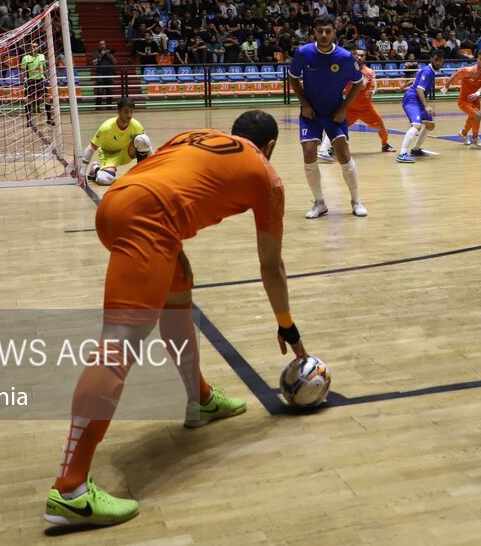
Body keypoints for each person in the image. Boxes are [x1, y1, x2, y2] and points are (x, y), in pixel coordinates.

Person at [45, 111, 306, 528]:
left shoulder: (195, 134)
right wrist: (288, 327)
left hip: (118, 202)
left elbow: (153, 168)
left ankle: (199, 400)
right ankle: (70, 489)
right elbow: (271, 267)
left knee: (179, 282)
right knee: (118, 345)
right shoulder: (268, 176)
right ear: (271, 146)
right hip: (149, 221)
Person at [287, 15, 368, 218]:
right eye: (320, 31)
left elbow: (358, 83)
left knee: (342, 153)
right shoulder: (303, 53)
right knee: (308, 152)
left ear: (334, 32)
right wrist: (304, 104)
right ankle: (319, 203)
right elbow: (293, 78)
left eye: (328, 31)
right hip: (310, 113)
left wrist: (343, 109)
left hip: (334, 113)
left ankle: (356, 201)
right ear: (313, 32)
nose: (324, 35)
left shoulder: (345, 58)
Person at [322, 48, 393, 155]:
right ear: (353, 56)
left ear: (365, 57)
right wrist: (362, 83)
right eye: (357, 55)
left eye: (362, 55)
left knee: (381, 126)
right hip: (350, 109)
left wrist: (373, 91)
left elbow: (374, 85)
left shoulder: (369, 71)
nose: (359, 57)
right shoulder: (347, 71)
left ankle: (385, 145)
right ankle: (330, 148)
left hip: (367, 109)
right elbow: (354, 87)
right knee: (336, 128)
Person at [80, 97, 151, 186]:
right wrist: (82, 174)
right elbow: (91, 148)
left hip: (127, 152)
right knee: (104, 180)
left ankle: (142, 173)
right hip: (109, 155)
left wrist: (152, 169)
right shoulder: (106, 127)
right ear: (118, 112)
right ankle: (95, 168)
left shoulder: (136, 125)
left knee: (143, 140)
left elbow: (147, 146)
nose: (129, 115)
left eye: (131, 111)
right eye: (126, 111)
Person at [396, 49, 444, 163]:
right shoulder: (428, 71)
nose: (438, 63)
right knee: (416, 126)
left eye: (440, 61)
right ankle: (402, 153)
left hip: (416, 100)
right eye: (436, 60)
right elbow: (419, 89)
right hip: (412, 100)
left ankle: (416, 150)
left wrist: (404, 86)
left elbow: (415, 80)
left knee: (430, 125)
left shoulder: (428, 70)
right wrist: (426, 106)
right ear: (431, 59)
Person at [446, 47, 481, 148]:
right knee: (478, 115)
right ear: (477, 59)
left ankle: (463, 133)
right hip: (464, 100)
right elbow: (454, 75)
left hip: (475, 100)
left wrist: (477, 93)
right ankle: (475, 138)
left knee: (473, 117)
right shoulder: (467, 70)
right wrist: (445, 88)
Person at [20, 47, 54, 125]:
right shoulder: (26, 58)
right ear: (30, 48)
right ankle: (29, 121)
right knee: (29, 100)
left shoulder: (42, 56)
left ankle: (49, 119)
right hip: (31, 81)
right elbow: (22, 71)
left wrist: (48, 80)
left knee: (47, 99)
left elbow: (45, 69)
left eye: (36, 46)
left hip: (41, 81)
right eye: (33, 46)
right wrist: (22, 83)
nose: (34, 48)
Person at [92, 41, 116, 110]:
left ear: (105, 45)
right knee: (100, 91)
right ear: (98, 46)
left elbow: (115, 62)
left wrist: (110, 56)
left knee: (110, 91)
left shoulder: (109, 53)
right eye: (100, 44)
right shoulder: (96, 53)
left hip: (109, 74)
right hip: (100, 74)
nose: (102, 45)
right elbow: (94, 63)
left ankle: (109, 107)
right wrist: (101, 56)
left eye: (103, 44)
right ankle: (98, 107)